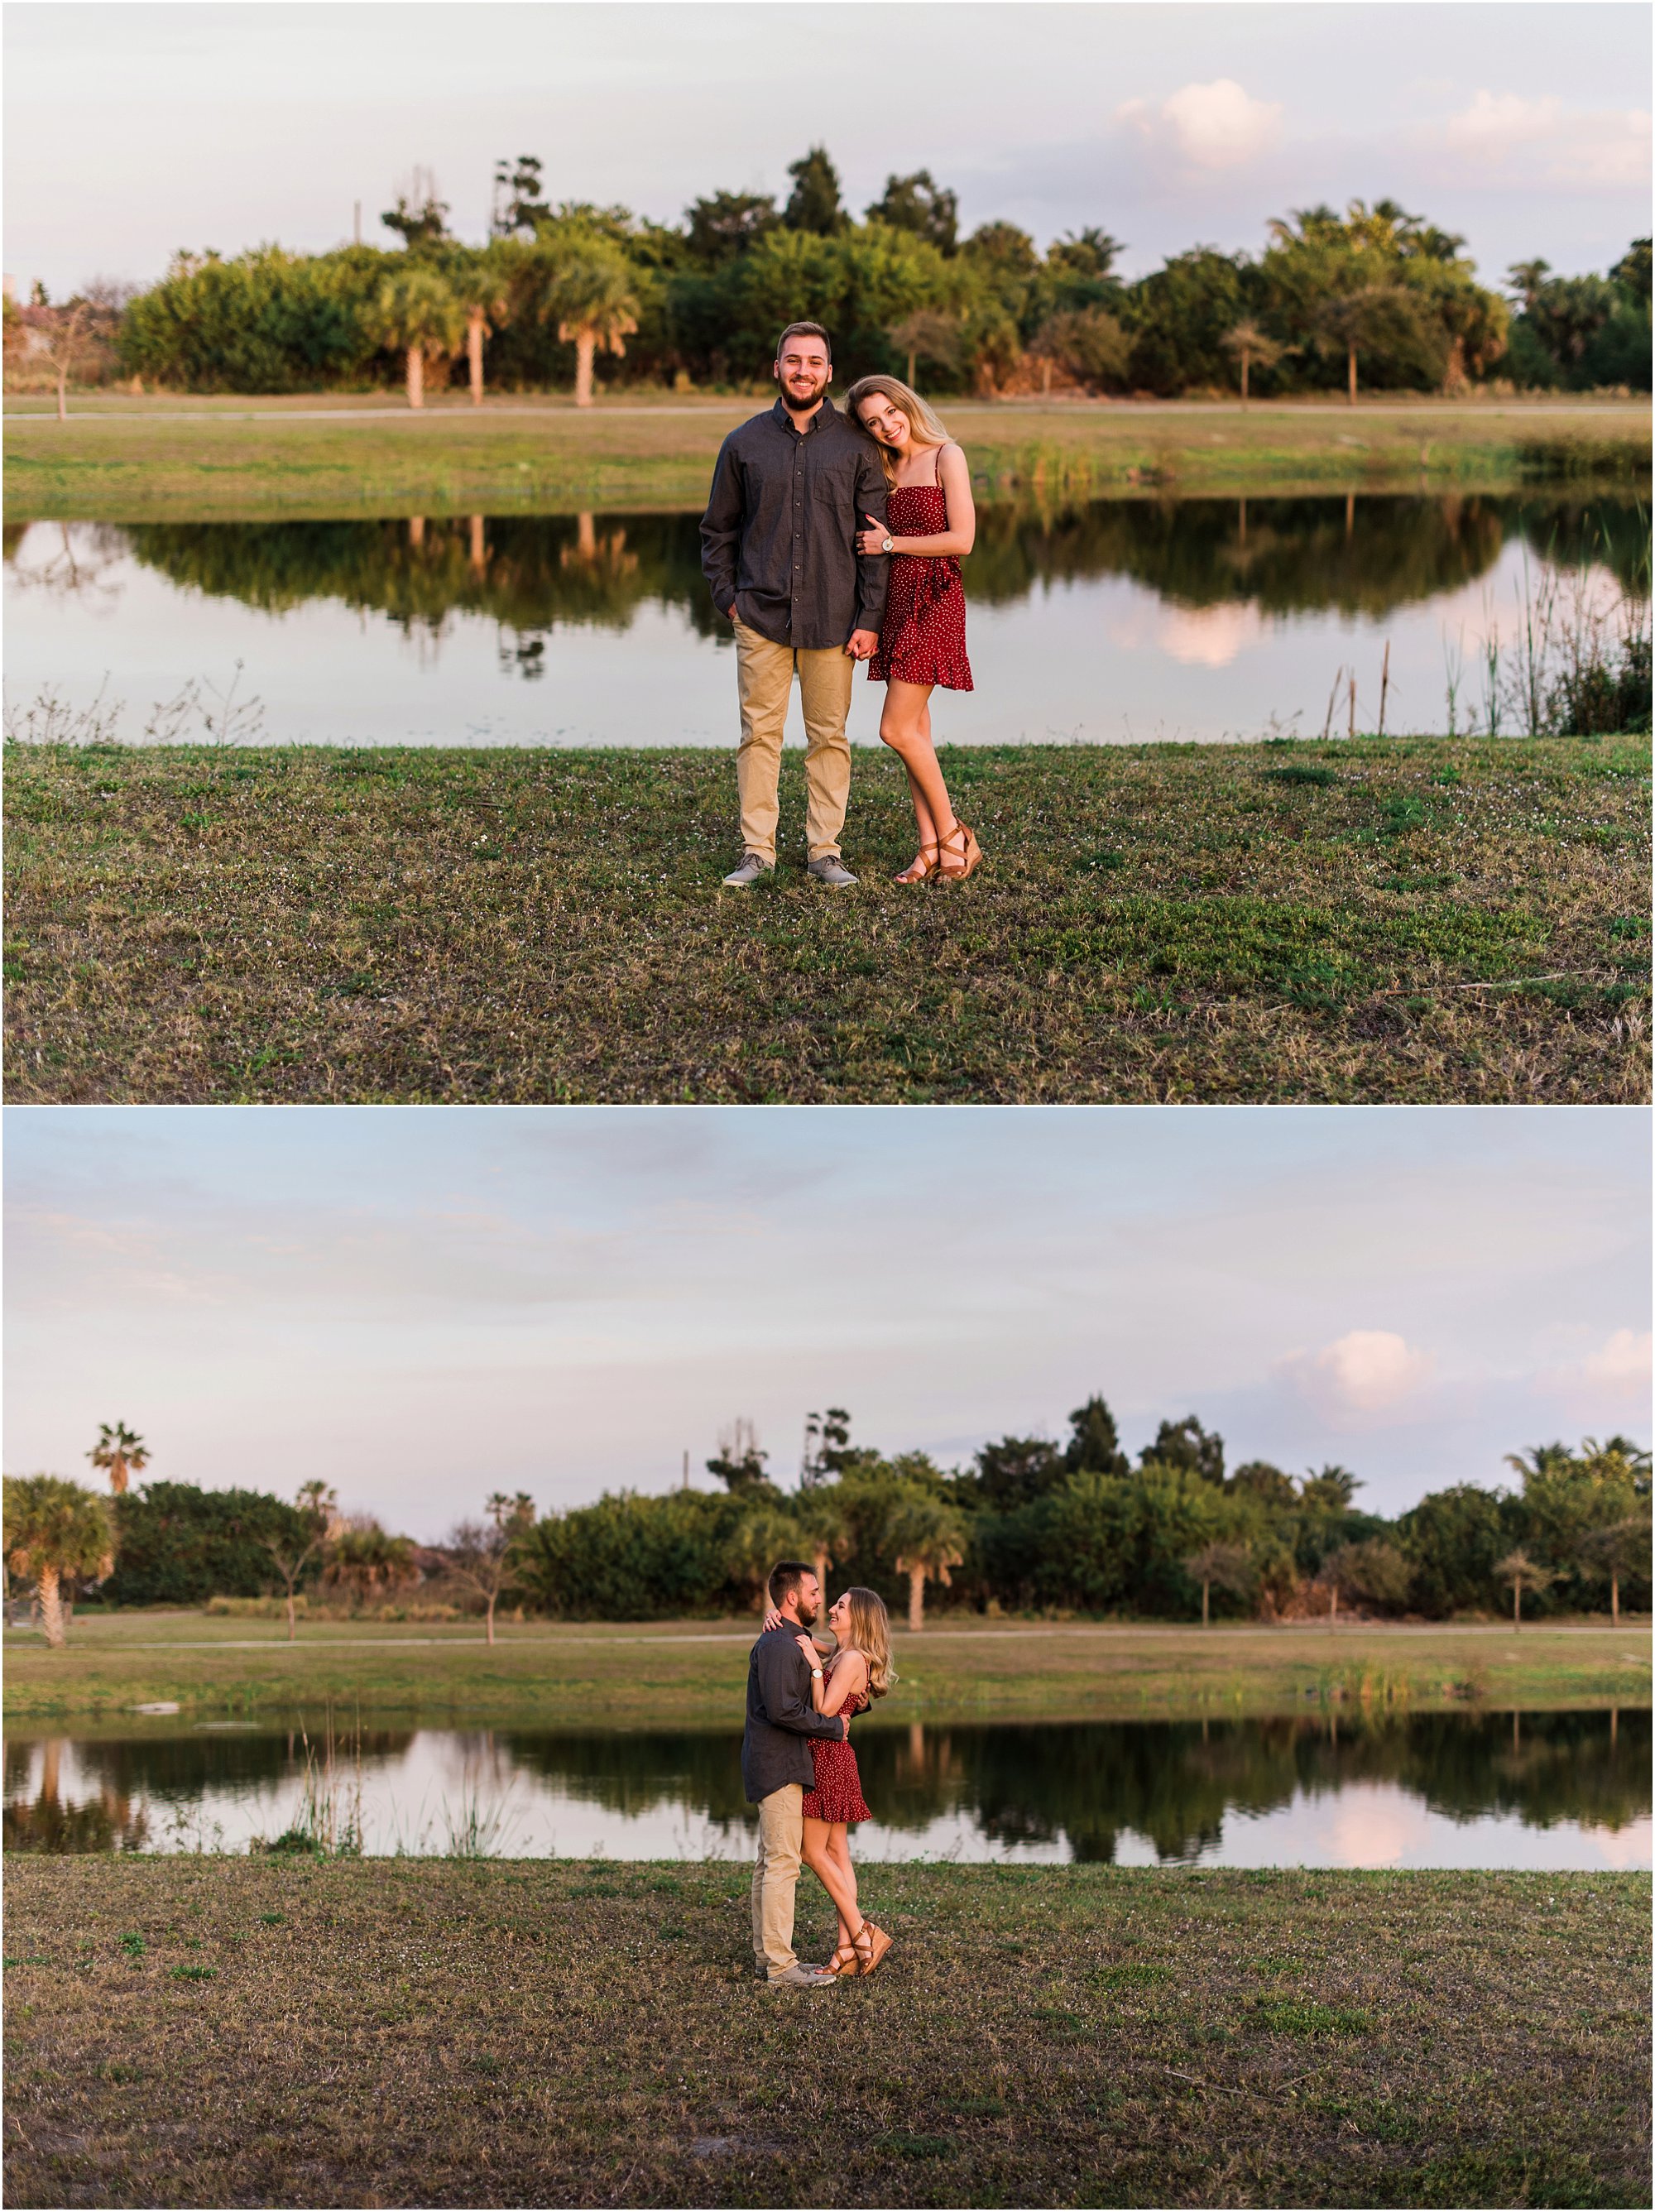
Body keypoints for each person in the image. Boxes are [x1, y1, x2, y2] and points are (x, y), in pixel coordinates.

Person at [700, 323, 890, 890]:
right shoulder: (743, 443)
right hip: (760, 615)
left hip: (835, 618)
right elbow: (718, 531)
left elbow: (875, 537)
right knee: (759, 735)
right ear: (776, 368)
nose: (802, 370)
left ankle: (824, 852)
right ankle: (757, 852)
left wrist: (870, 617)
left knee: (828, 736)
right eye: (792, 360)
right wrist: (729, 599)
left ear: (829, 373)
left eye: (814, 361)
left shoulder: (857, 446)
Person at [845, 375, 982, 882]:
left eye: (890, 413)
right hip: (895, 602)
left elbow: (962, 539)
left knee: (895, 729)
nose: (886, 426)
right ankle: (928, 847)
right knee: (916, 731)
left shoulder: (948, 455)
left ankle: (954, 836)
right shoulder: (883, 466)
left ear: (907, 405)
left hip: (935, 599)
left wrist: (889, 545)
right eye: (872, 422)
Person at [761, 1582, 896, 1977]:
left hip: (828, 1761)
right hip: (834, 1758)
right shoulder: (843, 1652)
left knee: (811, 1853)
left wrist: (815, 1666)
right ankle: (845, 1949)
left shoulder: (851, 1659)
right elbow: (806, 1638)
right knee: (838, 1853)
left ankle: (862, 1932)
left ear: (860, 1618)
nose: (831, 1609)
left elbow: (823, 1707)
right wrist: (778, 1620)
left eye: (840, 1605)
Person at [741, 1560, 852, 1989]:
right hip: (777, 1766)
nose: (820, 1599)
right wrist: (833, 1728)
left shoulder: (791, 1639)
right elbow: (783, 1710)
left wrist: (799, 1635)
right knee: (782, 1863)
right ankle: (780, 1966)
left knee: (772, 1861)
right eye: (814, 1592)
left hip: (781, 1764)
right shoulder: (777, 1646)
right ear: (793, 1598)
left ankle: (766, 1957)